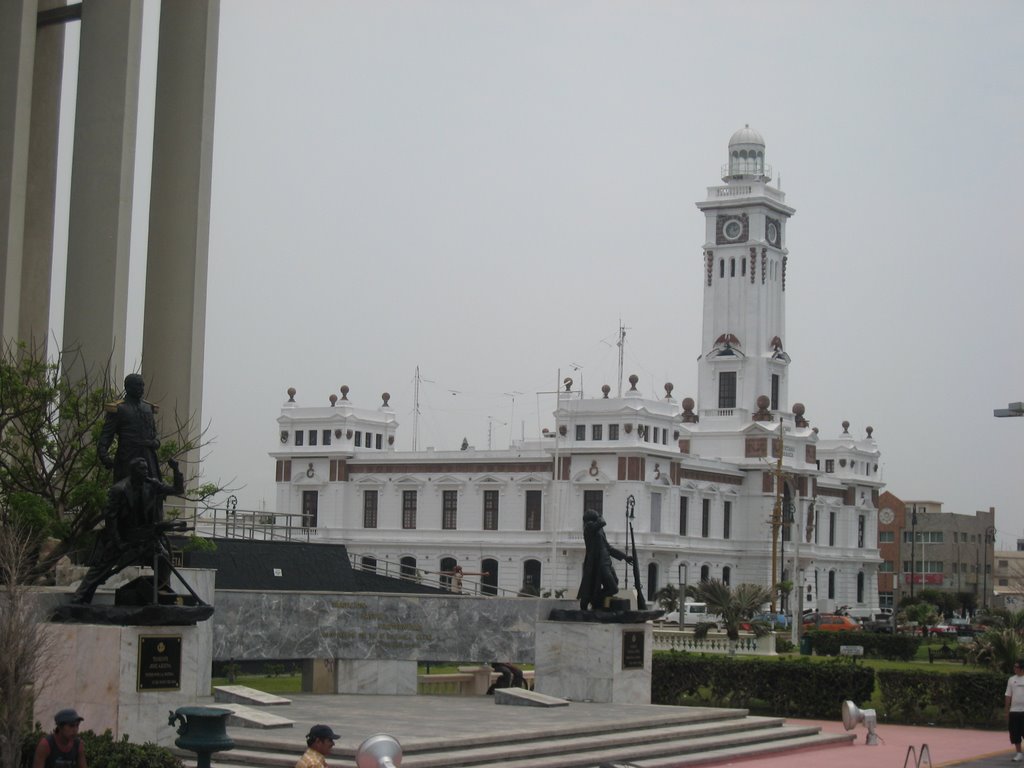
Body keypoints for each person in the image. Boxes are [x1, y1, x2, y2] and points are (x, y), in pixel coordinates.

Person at [72, 456, 184, 604]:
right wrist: (118, 542)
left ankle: (158, 595)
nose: (146, 471)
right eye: (141, 469)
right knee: (99, 570)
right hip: (123, 535)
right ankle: (79, 599)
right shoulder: (119, 489)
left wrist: (176, 470)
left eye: (146, 468)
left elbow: (177, 489)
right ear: (133, 471)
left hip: (145, 535)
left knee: (163, 560)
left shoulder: (152, 484)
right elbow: (111, 519)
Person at [97, 373, 161, 482]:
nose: (141, 389)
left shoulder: (148, 408)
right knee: (125, 492)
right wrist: (104, 456)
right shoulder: (119, 408)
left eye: (142, 385)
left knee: (154, 490)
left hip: (148, 458)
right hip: (127, 457)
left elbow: (154, 435)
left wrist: (154, 443)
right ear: (128, 387)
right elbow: (106, 435)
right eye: (138, 385)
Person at [577, 508, 633, 611]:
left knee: (614, 583)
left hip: (606, 561)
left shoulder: (599, 530)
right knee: (613, 588)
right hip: (598, 563)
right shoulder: (589, 528)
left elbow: (608, 547)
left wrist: (625, 557)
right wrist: (600, 515)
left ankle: (597, 601)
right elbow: (602, 522)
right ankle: (594, 599)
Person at [1007, 659, 1024, 761]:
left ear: (1022, 669)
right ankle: (1019, 753)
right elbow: (1008, 695)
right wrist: (1006, 710)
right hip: (1014, 711)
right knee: (1015, 733)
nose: (1014, 669)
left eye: (1016, 667)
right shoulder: (1011, 679)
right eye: (1014, 667)